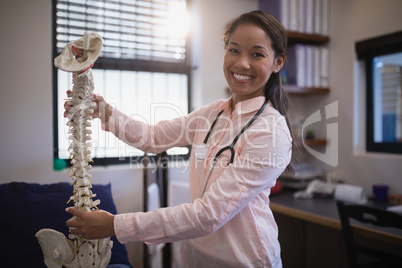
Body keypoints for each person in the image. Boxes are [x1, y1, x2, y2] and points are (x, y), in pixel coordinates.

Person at [65, 10, 292, 267]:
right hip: (198, 255)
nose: (242, 63)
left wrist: (116, 225)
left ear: (278, 62)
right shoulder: (213, 113)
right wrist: (105, 112)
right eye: (234, 50)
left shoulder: (271, 131)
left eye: (257, 54)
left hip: (245, 260)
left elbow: (208, 214)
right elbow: (153, 137)